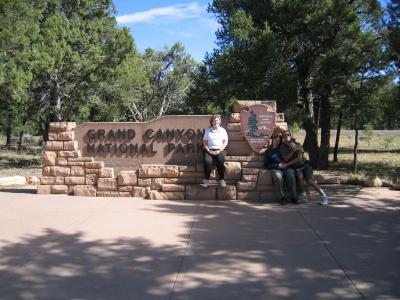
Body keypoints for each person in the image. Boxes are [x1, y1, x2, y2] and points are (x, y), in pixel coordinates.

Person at [279, 130, 329, 205]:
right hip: (296, 167)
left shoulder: (298, 144)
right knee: (299, 176)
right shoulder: (282, 147)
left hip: (304, 165)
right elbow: (285, 159)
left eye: (288, 134)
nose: (287, 136)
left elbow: (299, 158)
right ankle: (303, 195)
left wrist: (287, 164)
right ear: (283, 137)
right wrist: (292, 151)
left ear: (291, 135)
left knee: (309, 180)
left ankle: (324, 196)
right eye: (285, 135)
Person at [261, 134, 298, 205]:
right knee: (278, 177)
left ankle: (294, 196)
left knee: (291, 175)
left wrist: (286, 164)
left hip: (287, 167)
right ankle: (282, 197)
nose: (277, 141)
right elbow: (266, 165)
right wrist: (277, 165)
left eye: (279, 140)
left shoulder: (282, 148)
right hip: (276, 168)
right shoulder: (268, 151)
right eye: (276, 140)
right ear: (272, 140)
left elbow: (292, 143)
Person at [201, 115, 228, 188]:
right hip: (209, 149)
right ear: (211, 122)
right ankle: (206, 180)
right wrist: (208, 150)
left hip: (220, 149)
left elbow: (225, 142)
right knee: (207, 161)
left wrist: (219, 150)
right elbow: (205, 142)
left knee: (220, 160)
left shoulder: (223, 130)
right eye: (214, 120)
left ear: (219, 121)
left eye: (217, 120)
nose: (215, 122)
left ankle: (222, 180)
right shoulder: (208, 130)